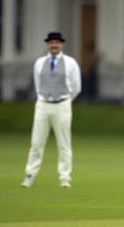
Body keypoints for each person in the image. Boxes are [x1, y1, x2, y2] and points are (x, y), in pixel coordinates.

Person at [21, 32, 81, 188]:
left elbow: (76, 87)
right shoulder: (40, 63)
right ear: (47, 45)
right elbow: (38, 84)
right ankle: (30, 175)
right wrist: (44, 98)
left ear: (62, 44)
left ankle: (65, 177)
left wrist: (65, 100)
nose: (54, 45)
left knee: (64, 143)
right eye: (51, 42)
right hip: (43, 104)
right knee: (36, 142)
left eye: (57, 42)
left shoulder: (70, 63)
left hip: (62, 104)